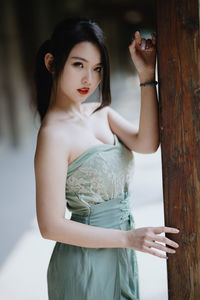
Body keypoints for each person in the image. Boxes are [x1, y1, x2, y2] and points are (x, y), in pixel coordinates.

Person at [33, 17, 179, 300]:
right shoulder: (53, 136)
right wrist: (127, 238)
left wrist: (147, 77)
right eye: (79, 65)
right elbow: (50, 226)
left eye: (97, 68)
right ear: (52, 63)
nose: (90, 79)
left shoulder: (101, 112)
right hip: (84, 266)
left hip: (120, 254)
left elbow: (147, 144)